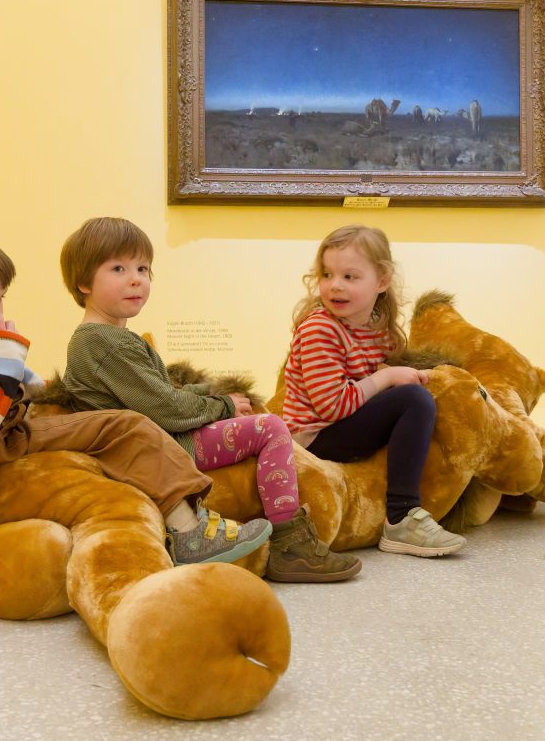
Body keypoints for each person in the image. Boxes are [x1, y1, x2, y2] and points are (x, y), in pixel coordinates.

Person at [0, 224, 270, 565]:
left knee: (115, 426)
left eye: (0, 299)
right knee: (126, 427)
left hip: (9, 435)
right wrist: (3, 368)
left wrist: (31, 385)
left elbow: (31, 391)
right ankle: (188, 530)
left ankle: (186, 513)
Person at [59, 217, 360, 583]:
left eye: (142, 268)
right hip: (159, 449)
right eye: (118, 268)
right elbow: (166, 409)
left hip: (149, 443)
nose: (136, 278)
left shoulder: (107, 338)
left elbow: (162, 392)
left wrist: (212, 395)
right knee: (271, 427)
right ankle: (289, 543)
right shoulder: (103, 342)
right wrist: (223, 406)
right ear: (83, 282)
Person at [284, 224, 466, 556]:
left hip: (341, 425)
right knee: (413, 400)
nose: (334, 285)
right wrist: (387, 378)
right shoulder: (320, 329)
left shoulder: (376, 326)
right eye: (327, 274)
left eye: (349, 277)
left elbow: (370, 383)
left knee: (422, 396)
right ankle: (401, 517)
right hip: (313, 438)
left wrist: (406, 374)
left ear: (381, 281)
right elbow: (331, 407)